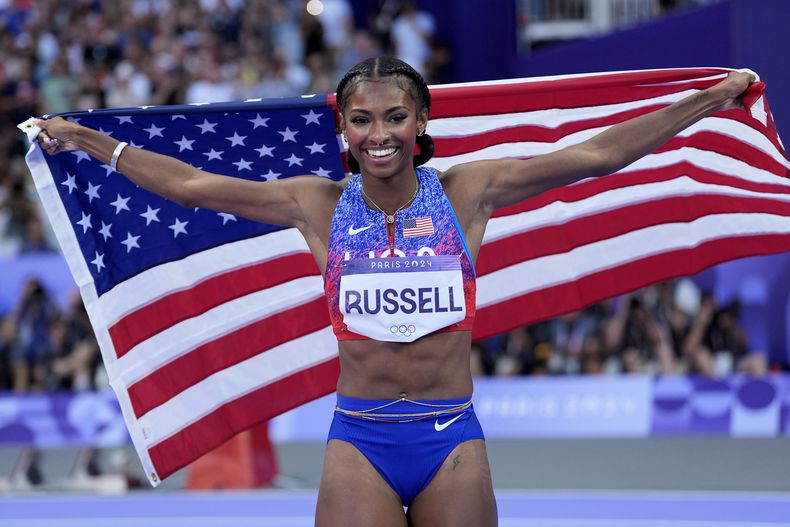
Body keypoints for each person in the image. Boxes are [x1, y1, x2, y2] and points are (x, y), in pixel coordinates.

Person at [34, 56, 752, 526]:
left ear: (422, 123)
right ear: (342, 130)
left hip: (451, 437)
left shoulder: (473, 189)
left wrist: (708, 99)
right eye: (362, 119)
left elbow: (596, 155)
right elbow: (191, 186)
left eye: (395, 117)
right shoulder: (314, 202)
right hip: (361, 439)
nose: (380, 134)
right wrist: (92, 142)